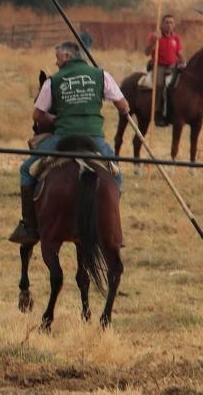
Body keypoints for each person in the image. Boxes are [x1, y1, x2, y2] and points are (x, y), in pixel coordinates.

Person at [8, 41, 130, 244]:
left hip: (63, 138)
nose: (55, 63)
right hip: (94, 139)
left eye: (57, 58)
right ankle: (113, 225)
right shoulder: (102, 75)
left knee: (26, 170)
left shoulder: (53, 81)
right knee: (116, 174)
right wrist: (124, 111)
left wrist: (55, 120)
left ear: (66, 57)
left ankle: (29, 226)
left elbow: (37, 115)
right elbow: (123, 106)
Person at [144, 14, 185, 125]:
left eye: (171, 22)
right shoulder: (154, 36)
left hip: (173, 66)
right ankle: (157, 113)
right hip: (159, 65)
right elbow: (146, 52)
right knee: (159, 85)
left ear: (174, 25)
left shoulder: (176, 38)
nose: (169, 25)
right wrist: (154, 41)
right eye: (167, 22)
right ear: (162, 24)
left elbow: (179, 53)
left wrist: (183, 63)